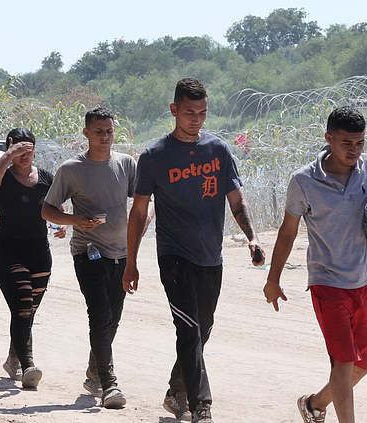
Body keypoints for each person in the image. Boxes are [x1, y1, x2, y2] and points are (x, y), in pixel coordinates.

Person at [122, 77, 264, 423]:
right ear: (174, 110)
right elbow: (139, 211)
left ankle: (175, 391)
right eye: (189, 112)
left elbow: (236, 199)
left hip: (210, 256)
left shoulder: (218, 150)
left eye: (201, 112)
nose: (196, 119)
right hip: (174, 256)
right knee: (187, 328)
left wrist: (252, 236)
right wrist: (131, 262)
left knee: (203, 328)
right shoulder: (154, 156)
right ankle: (202, 405)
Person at [263, 106, 367, 423]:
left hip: (366, 279)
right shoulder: (304, 181)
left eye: (360, 143)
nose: (354, 150)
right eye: (346, 143)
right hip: (327, 284)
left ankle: (314, 404)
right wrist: (273, 279)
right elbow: (287, 232)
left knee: (363, 364)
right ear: (328, 138)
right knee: (343, 363)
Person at [42, 107, 136, 409]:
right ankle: (110, 384)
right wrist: (76, 220)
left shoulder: (126, 164)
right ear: (86, 133)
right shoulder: (71, 169)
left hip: (121, 253)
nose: (105, 136)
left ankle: (94, 372)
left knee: (114, 318)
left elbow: (142, 203)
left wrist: (138, 231)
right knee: (99, 314)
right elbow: (48, 210)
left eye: (109, 131)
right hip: (88, 252)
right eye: (99, 131)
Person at [0, 128, 65, 389]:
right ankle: (28, 364)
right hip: (9, 251)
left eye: (29, 150)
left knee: (28, 312)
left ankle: (12, 357)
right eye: (19, 150)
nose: (24, 155)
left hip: (40, 254)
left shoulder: (46, 178)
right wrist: (7, 156)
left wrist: (60, 225)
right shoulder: (3, 176)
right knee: (21, 308)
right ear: (10, 148)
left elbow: (54, 209)